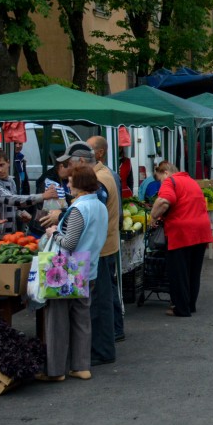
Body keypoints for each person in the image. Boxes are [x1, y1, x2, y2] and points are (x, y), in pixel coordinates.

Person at [37, 164, 108, 382]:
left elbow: (68, 243)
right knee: (81, 319)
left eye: (70, 181)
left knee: (57, 320)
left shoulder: (79, 209)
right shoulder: (99, 206)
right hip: (89, 268)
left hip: (66, 269)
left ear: (79, 184)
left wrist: (54, 231)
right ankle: (81, 366)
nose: (68, 184)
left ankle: (56, 370)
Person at [149, 161, 213, 317]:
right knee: (193, 272)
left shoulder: (170, 182)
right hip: (201, 231)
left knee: (178, 272)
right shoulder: (191, 181)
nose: (160, 183)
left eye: (159, 179)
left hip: (182, 232)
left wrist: (153, 216)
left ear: (165, 173)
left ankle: (181, 308)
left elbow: (164, 201)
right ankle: (190, 305)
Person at [87, 136, 124, 359]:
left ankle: (103, 348)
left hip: (101, 247)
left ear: (99, 153)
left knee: (101, 299)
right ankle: (116, 331)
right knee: (108, 292)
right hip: (108, 243)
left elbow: (94, 215)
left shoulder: (100, 180)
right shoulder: (109, 174)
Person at [0, 149, 59, 249]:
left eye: (1, 165)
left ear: (8, 163)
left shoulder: (11, 181)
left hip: (9, 237)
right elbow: (12, 199)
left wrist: (20, 214)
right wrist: (42, 196)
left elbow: (12, 206)